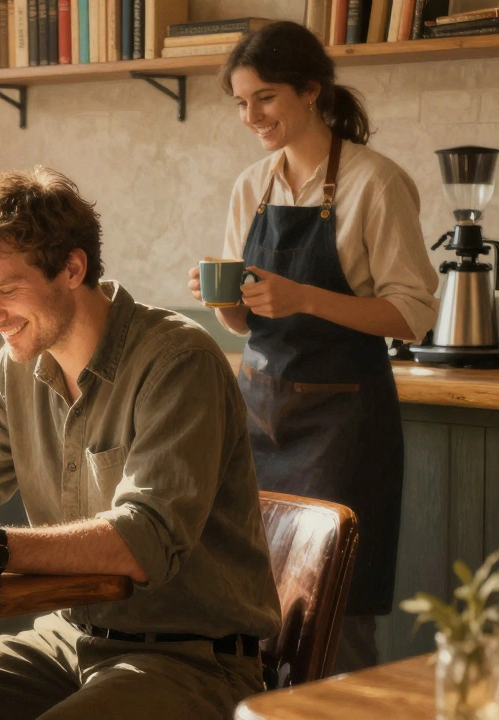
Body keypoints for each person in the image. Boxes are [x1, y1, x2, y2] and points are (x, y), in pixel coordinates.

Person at [0, 167, 280, 719]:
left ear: (72, 268)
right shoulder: (18, 365)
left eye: (7, 291)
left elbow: (145, 541)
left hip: (195, 661)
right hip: (68, 639)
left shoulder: (179, 360)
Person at [187, 21, 437, 672]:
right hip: (260, 421)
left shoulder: (374, 183)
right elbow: (245, 329)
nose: (251, 116)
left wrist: (302, 296)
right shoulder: (253, 186)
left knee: (336, 613)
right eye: (241, 103)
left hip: (345, 431)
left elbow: (411, 315)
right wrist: (225, 303)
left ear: (311, 90)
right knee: (256, 600)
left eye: (264, 97)